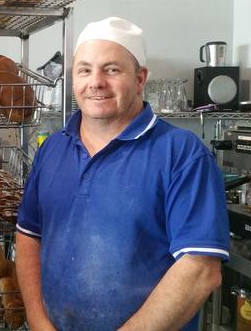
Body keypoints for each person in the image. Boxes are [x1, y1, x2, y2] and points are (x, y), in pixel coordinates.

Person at [15, 17, 229, 330]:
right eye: (85, 70)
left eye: (112, 70)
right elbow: (29, 236)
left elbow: (200, 270)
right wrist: (38, 321)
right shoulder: (52, 149)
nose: (96, 82)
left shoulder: (182, 154)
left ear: (140, 79)